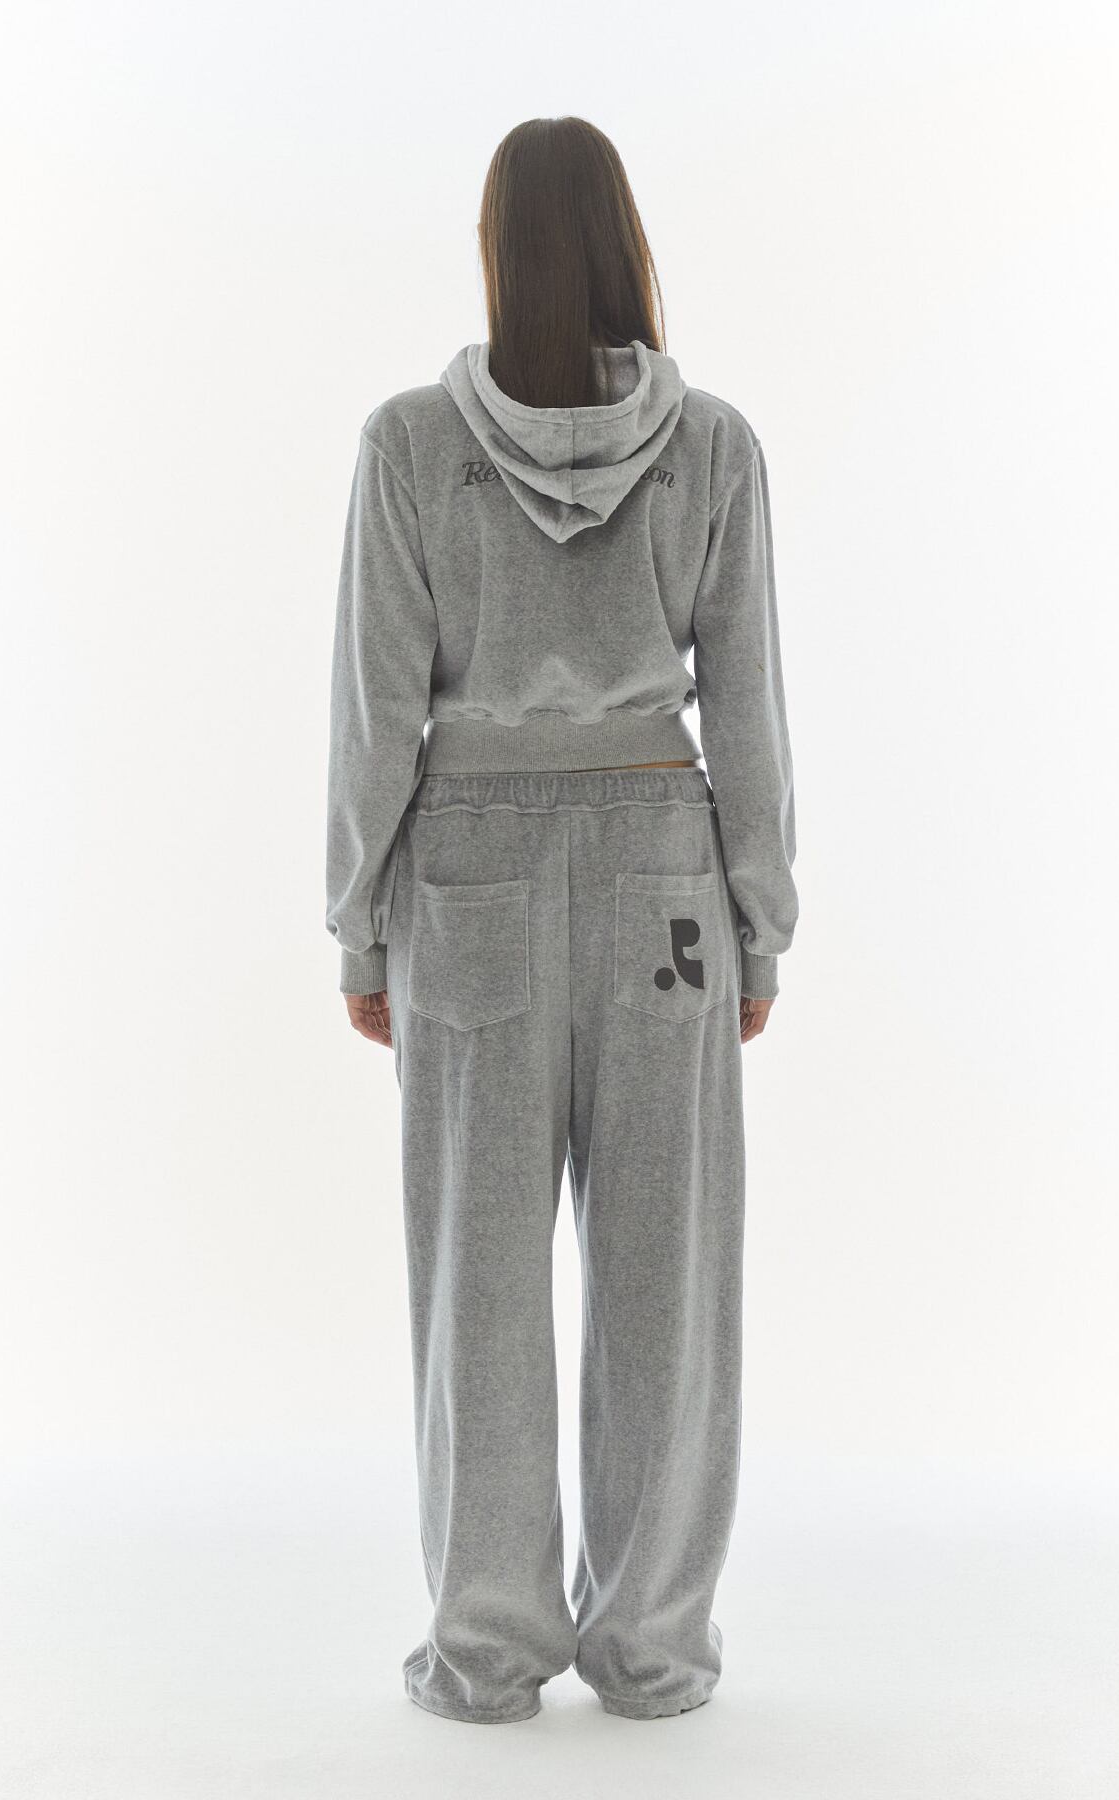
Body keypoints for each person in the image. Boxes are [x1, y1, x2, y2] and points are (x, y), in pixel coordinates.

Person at [325, 115, 798, 1725]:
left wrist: (360, 925)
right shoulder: (714, 446)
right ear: (623, 246)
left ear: (497, 251)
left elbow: (378, 711)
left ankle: (486, 1649)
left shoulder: (409, 445)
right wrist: (759, 919)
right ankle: (654, 1650)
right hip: (667, 872)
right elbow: (749, 709)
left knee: (476, 1277)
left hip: (465, 877)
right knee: (670, 1278)